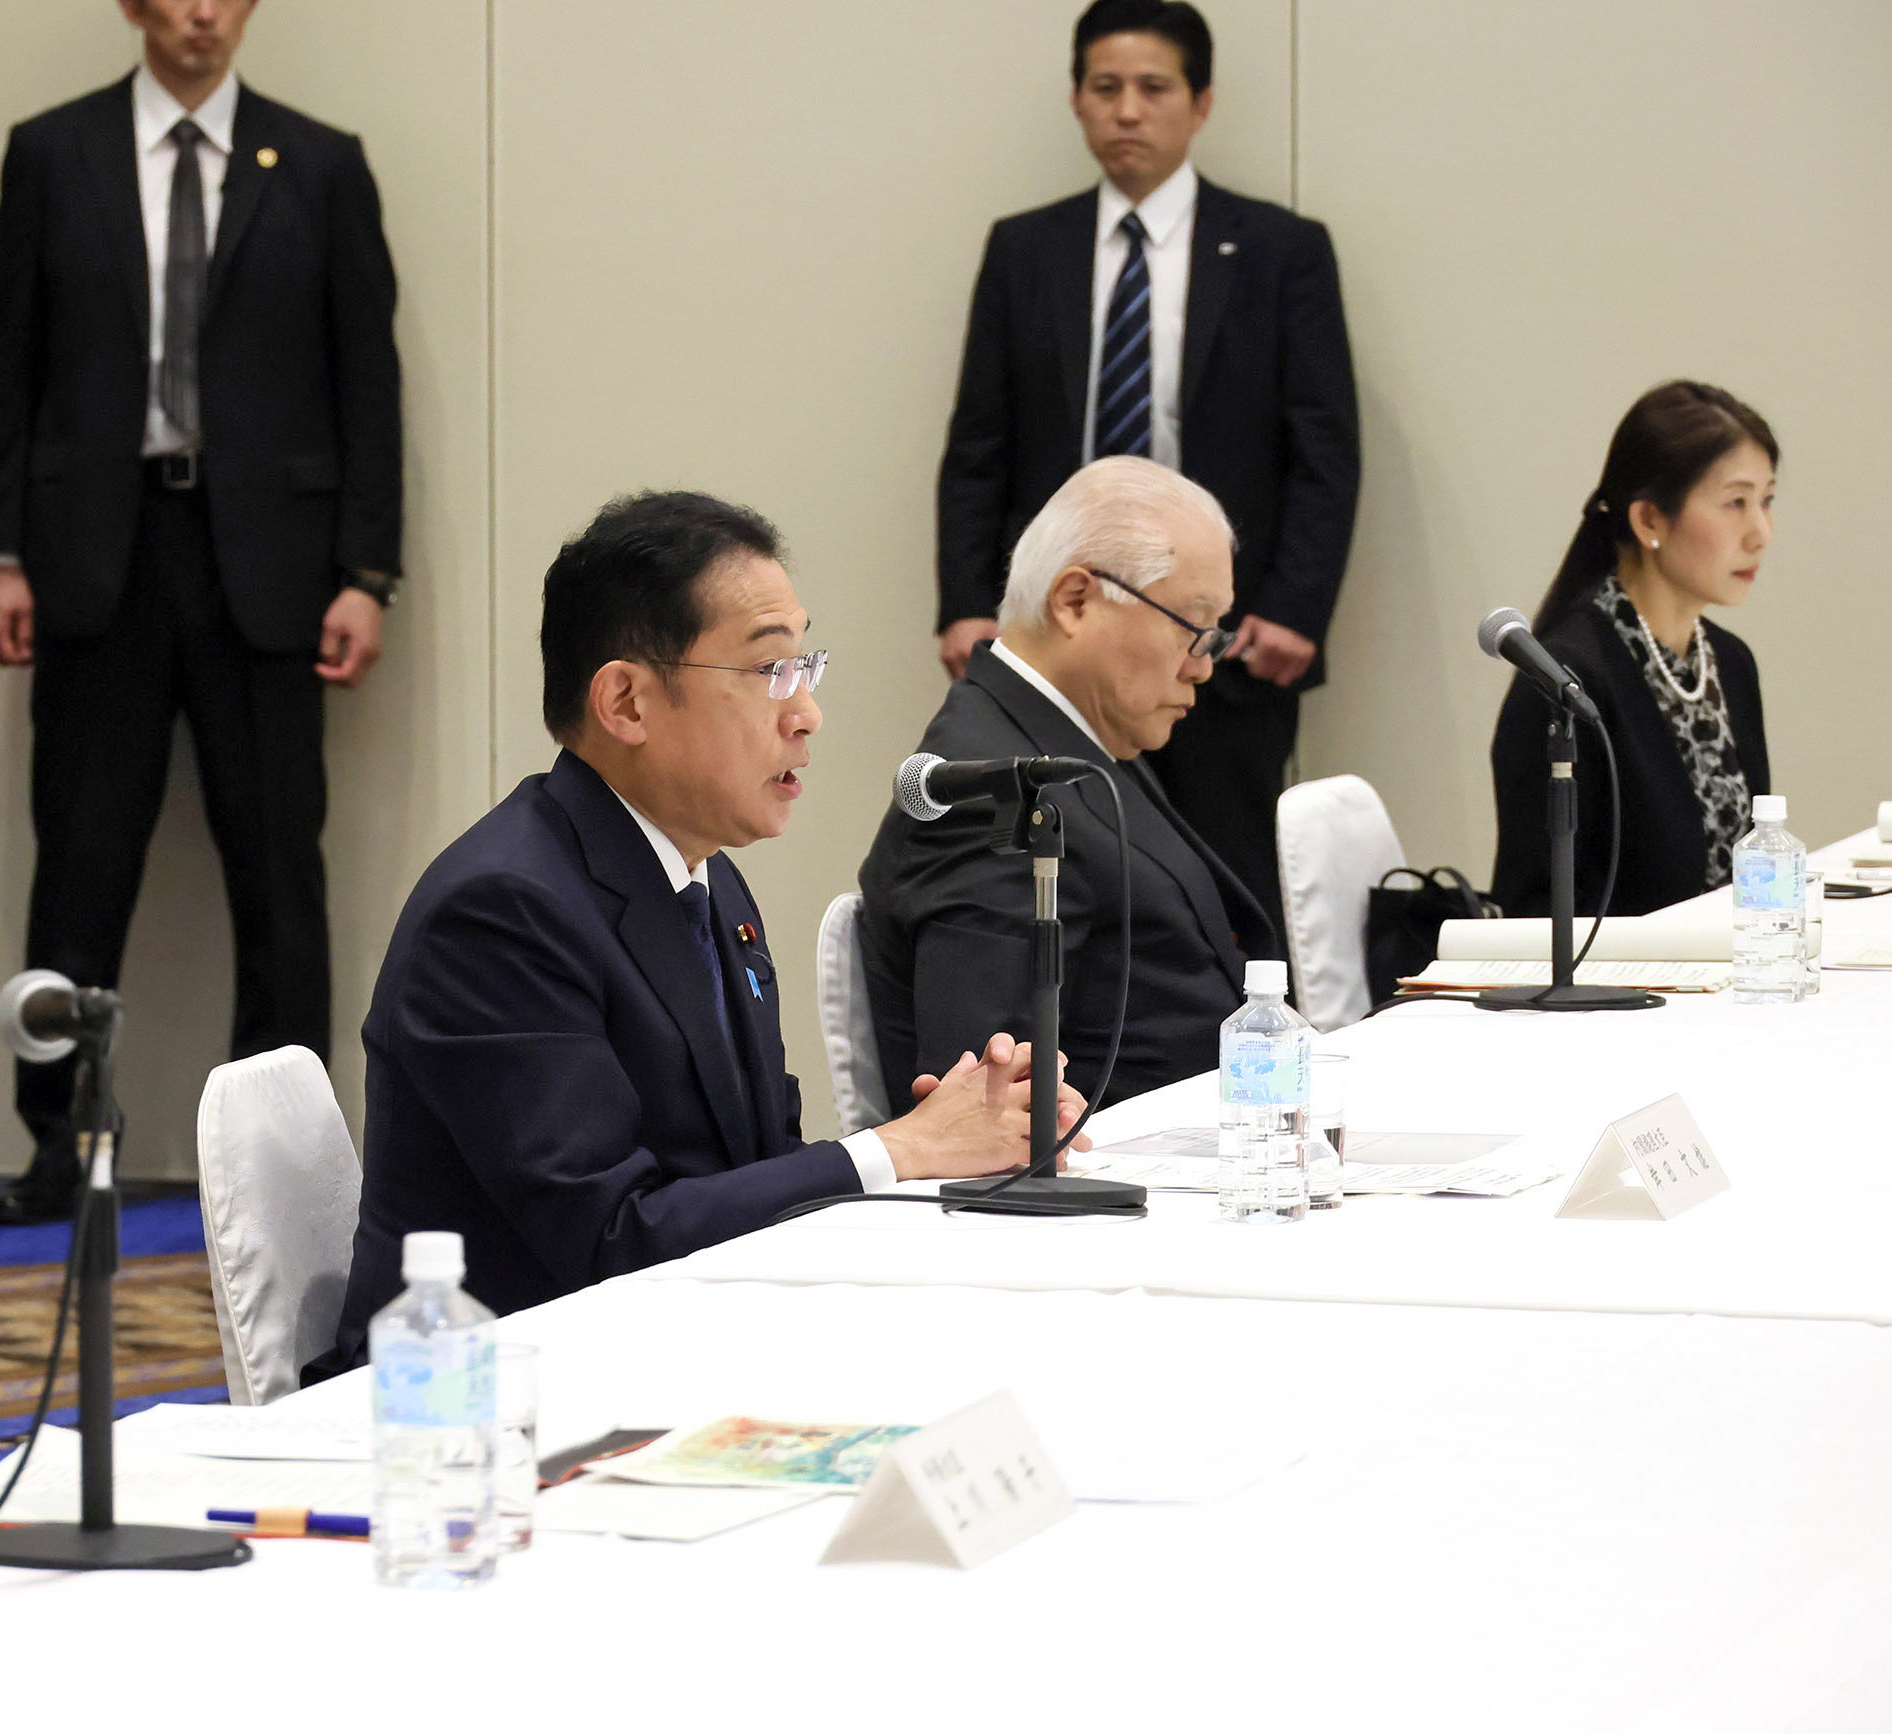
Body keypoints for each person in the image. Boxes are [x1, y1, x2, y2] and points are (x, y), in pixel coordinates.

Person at [309, 492, 1088, 1379]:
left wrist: (942, 1139)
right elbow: (612, 1239)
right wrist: (895, 1149)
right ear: (627, 702)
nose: (806, 714)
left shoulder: (704, 876)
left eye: (807, 666)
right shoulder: (500, 913)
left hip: (665, 1356)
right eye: (768, 672)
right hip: (475, 1405)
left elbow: (748, 1166)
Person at [0, 0, 403, 1224]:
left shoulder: (319, 163)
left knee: (277, 871)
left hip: (268, 563)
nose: (201, 14)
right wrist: (0, 549)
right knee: (79, 861)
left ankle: (281, 1160)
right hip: (95, 553)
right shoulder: (52, 153)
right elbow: (13, 360)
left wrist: (364, 574)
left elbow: (365, 379)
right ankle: (59, 1142)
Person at [934, 0, 1359, 931]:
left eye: (1153, 88)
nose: (1128, 110)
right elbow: (979, 446)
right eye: (1105, 88)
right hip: (1063, 636)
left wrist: (1294, 608)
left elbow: (1325, 450)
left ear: (1200, 103)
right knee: (1055, 877)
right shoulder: (1025, 250)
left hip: (1225, 645)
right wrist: (968, 600)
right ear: (1078, 102)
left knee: (1231, 885)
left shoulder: (1281, 252)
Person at [865, 457, 1278, 1108]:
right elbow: (985, 1110)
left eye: (1214, 636)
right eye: (1192, 629)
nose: (1203, 668)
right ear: (1076, 600)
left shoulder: (1076, 738)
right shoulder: (995, 793)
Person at [1491, 382, 1776, 917]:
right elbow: (1534, 909)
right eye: (1736, 502)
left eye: (1766, 500)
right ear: (1649, 519)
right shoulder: (1566, 683)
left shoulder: (1729, 662)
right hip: (1627, 993)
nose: (1760, 532)